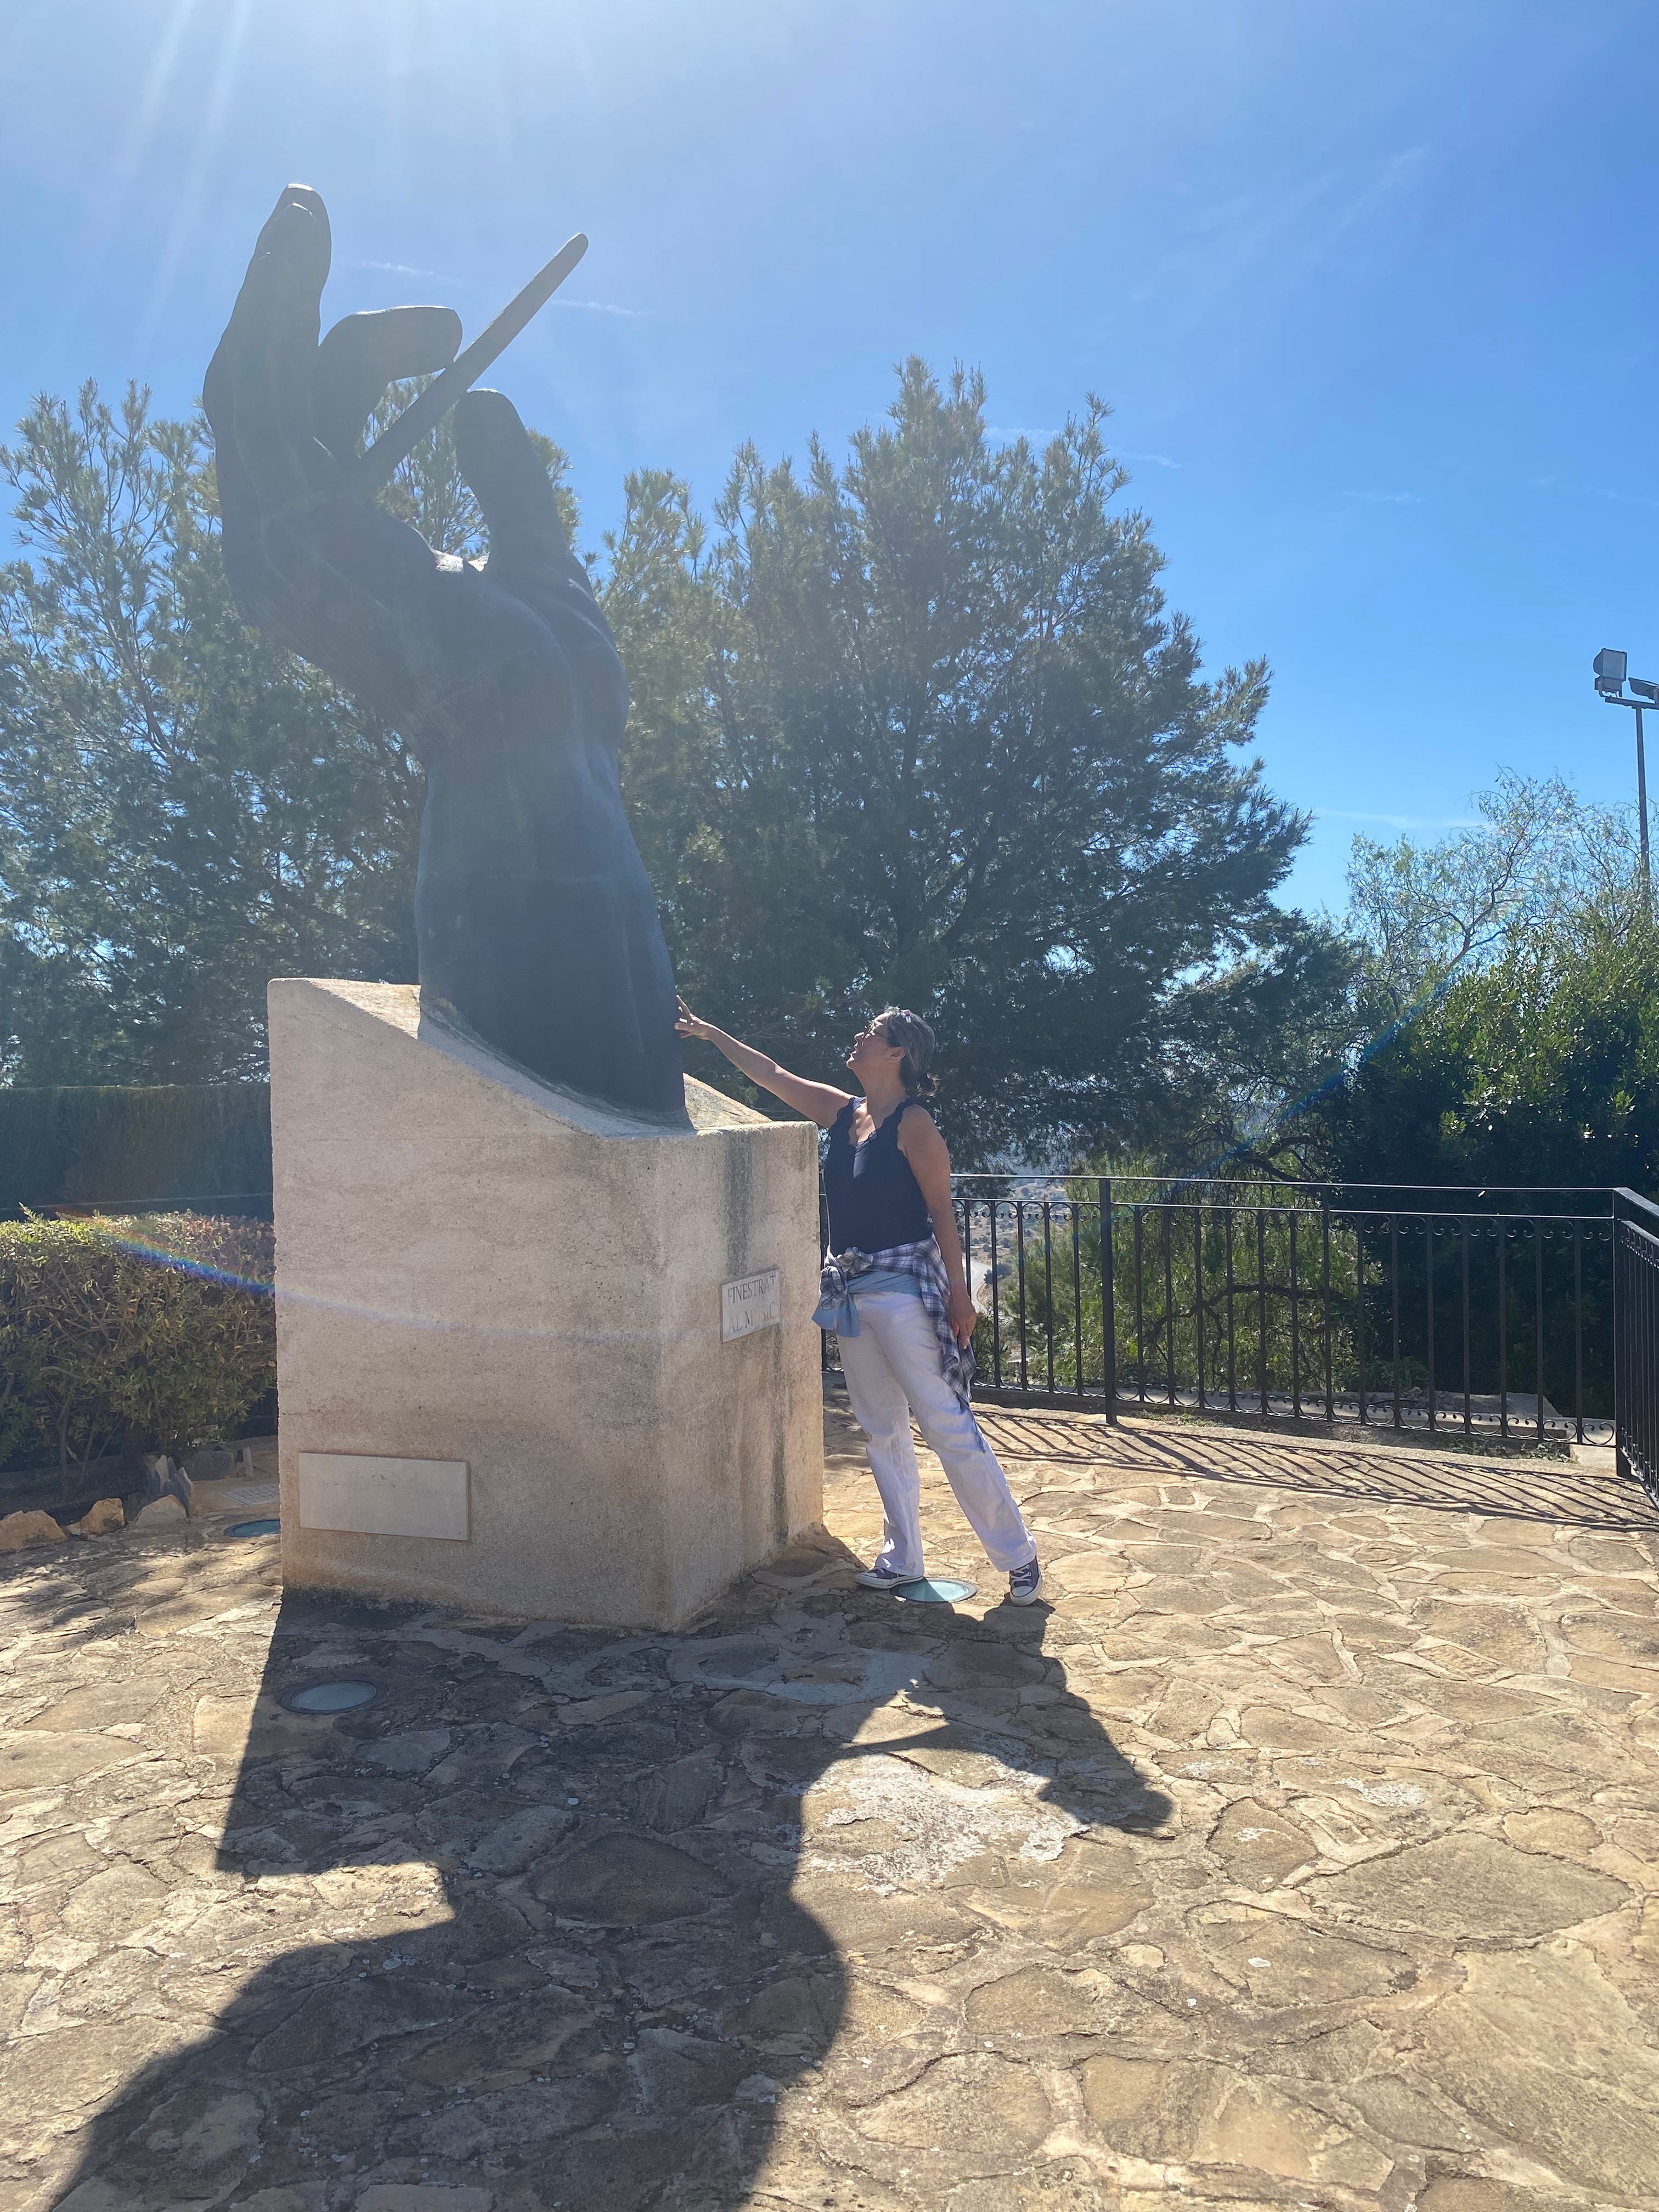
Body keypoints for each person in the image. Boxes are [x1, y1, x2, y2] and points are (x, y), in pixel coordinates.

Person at [674, 998, 1043, 1604]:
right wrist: (711, 1033)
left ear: (897, 1053)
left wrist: (961, 1293)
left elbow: (944, 1215)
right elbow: (769, 1074)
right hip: (851, 1290)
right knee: (880, 1429)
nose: (857, 1037)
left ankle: (1018, 1556)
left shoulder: (915, 1125)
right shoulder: (842, 1113)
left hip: (904, 1291)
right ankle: (903, 1558)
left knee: (946, 1423)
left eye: (870, 1033)